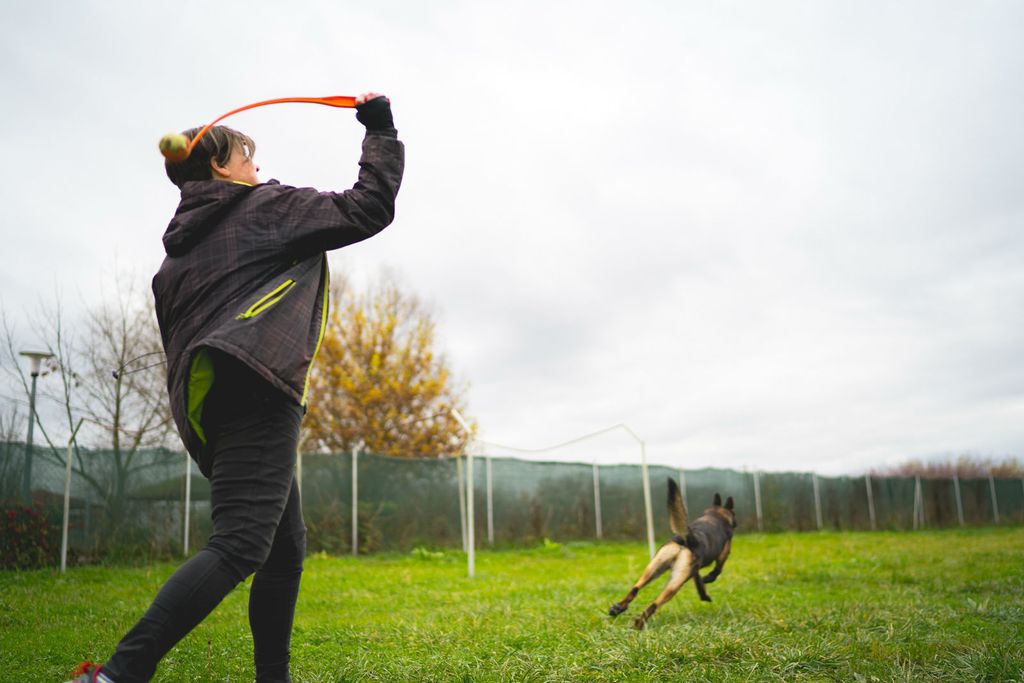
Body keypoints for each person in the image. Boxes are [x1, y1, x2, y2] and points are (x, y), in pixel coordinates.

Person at [68, 92, 404, 683]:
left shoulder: (173, 259)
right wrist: (380, 126)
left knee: (283, 545)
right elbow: (367, 208)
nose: (257, 167)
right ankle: (119, 674)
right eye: (248, 157)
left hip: (208, 404)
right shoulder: (264, 208)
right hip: (259, 387)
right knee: (242, 542)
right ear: (221, 167)